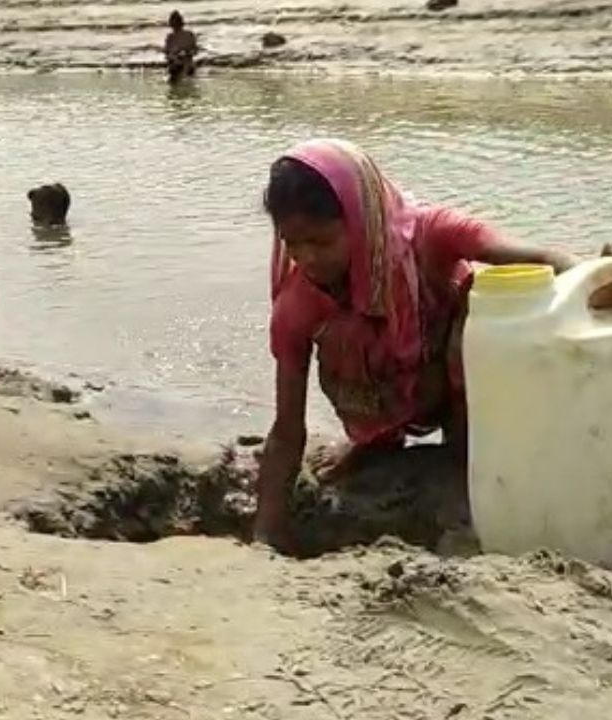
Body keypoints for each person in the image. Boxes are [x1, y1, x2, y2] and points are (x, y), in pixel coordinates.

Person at [253, 138, 590, 549]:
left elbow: (536, 260)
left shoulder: (431, 234)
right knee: (343, 331)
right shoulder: (298, 304)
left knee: (484, 300)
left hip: (449, 375)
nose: (306, 259)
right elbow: (288, 428)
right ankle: (375, 443)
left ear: (361, 220)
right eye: (292, 243)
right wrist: (267, 534)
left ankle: (465, 449)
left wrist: (604, 268)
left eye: (321, 242)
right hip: (383, 392)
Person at [164, 11, 197, 84]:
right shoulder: (189, 35)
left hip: (180, 65)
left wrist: (177, 56)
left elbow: (167, 53)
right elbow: (195, 51)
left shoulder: (171, 37)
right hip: (184, 64)